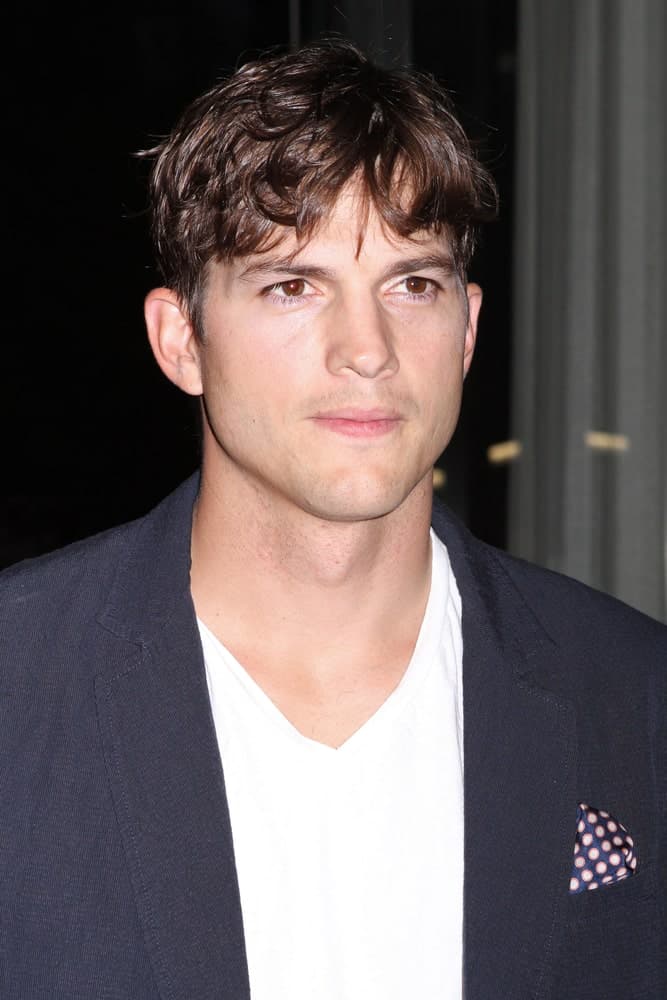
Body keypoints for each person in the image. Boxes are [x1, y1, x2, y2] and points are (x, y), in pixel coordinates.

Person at [1, 38, 664, 1000]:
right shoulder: (22, 689)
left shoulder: (634, 696)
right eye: (292, 286)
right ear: (179, 340)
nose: (367, 349)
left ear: (468, 330)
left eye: (412, 284)